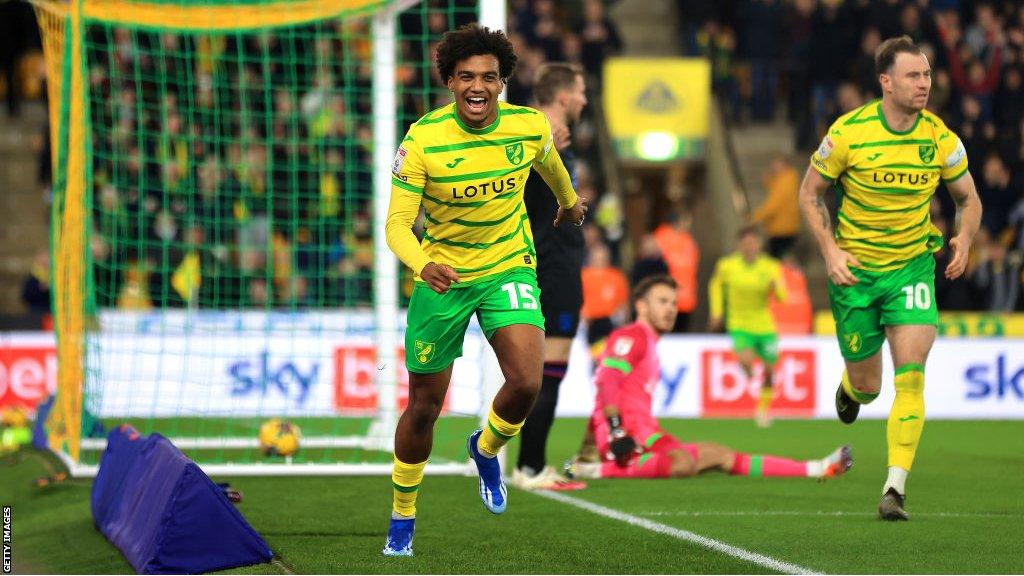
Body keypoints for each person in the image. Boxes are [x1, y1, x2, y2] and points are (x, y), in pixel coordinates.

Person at [382, 24, 587, 556]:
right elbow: (397, 227)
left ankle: (486, 447)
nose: (478, 86)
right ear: (450, 81)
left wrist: (569, 201)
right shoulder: (423, 139)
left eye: (489, 77)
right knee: (424, 406)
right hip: (443, 276)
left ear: (502, 83)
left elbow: (549, 162)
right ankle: (403, 516)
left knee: (525, 382)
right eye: (467, 76)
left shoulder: (528, 126)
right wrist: (424, 264)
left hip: (508, 266)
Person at [798, 36, 982, 521]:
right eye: (913, 76)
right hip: (854, 272)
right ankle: (851, 389)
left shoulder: (940, 138)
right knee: (869, 387)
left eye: (926, 75)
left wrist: (965, 239)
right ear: (886, 82)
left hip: (912, 268)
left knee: (912, 379)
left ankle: (894, 489)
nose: (924, 84)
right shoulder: (849, 133)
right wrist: (830, 250)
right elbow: (810, 194)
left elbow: (969, 198)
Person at [564, 274, 852, 482]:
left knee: (720, 454)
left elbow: (606, 395)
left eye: (674, 303)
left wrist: (586, 448)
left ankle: (814, 468)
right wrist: (614, 432)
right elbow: (606, 381)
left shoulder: (649, 344)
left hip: (645, 433)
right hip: (628, 438)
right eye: (662, 301)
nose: (671, 309)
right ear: (640, 306)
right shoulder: (632, 336)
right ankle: (597, 471)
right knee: (683, 463)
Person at [513, 62, 589, 491]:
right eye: (579, 92)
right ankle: (530, 467)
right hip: (551, 262)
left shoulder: (542, 136)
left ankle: (528, 464)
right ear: (562, 96)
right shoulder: (539, 134)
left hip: (544, 258)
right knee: (548, 369)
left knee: (537, 370)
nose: (583, 99)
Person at [707, 226, 786, 428]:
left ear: (759, 245)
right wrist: (717, 312)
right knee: (746, 360)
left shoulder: (771, 267)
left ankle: (762, 411)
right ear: (739, 245)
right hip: (739, 323)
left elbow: (783, 297)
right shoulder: (727, 265)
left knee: (769, 370)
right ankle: (748, 370)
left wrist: (775, 287)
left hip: (764, 324)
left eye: (753, 243)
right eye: (746, 243)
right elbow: (715, 286)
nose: (750, 247)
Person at [653, 212, 699, 332]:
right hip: (668, 294)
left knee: (680, 331)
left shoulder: (687, 240)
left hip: (685, 295)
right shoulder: (662, 237)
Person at [750, 153, 802, 259]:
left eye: (776, 163)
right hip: (787, 226)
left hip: (781, 228)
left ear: (784, 164)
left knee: (776, 261)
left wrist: (754, 218)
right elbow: (772, 186)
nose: (773, 166)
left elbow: (773, 205)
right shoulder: (788, 178)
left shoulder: (784, 182)